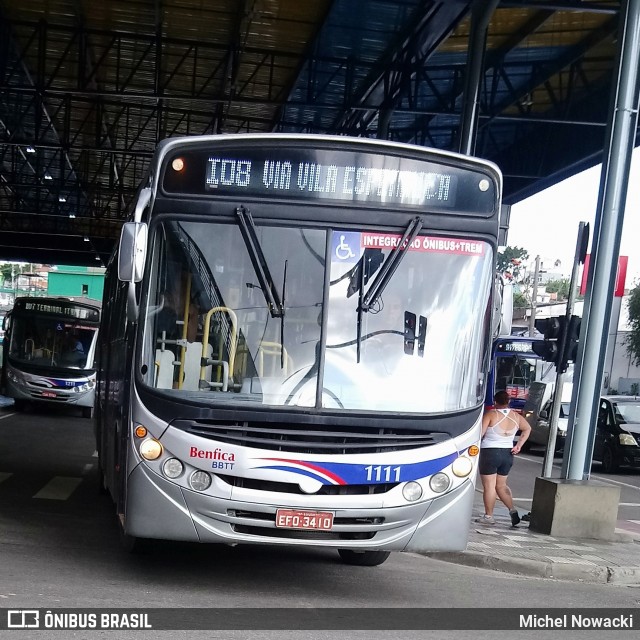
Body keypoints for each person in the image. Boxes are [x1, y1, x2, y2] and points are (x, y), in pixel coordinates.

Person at [476, 389, 531, 526]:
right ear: (509, 401)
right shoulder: (516, 416)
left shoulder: (491, 414)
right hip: (507, 454)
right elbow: (527, 428)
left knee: (489, 486)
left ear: (495, 401)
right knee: (501, 485)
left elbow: (480, 434)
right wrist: (519, 445)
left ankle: (489, 516)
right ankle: (512, 510)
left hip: (490, 452)